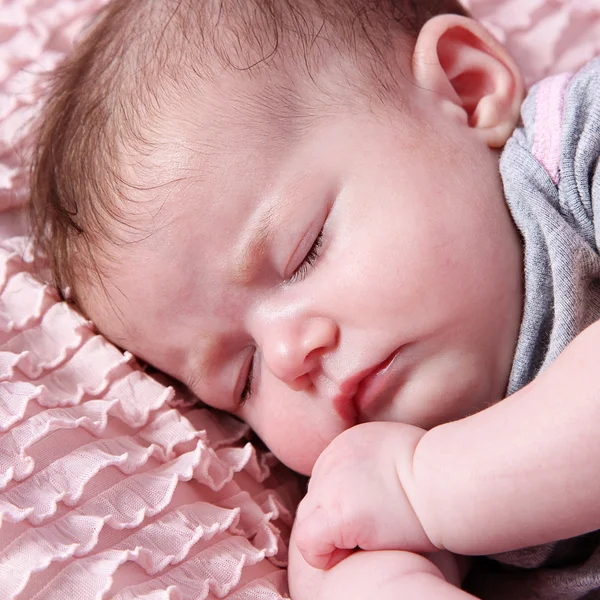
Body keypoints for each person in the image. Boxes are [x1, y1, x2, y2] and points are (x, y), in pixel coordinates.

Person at [27, 0, 600, 598]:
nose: (286, 355)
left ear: (466, 90)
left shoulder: (580, 145)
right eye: (243, 379)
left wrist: (429, 487)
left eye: (306, 252)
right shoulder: (383, 476)